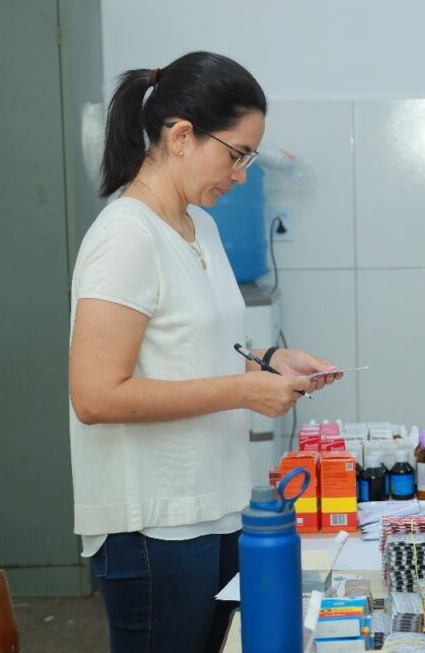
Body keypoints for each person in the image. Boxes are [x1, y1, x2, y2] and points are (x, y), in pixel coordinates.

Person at [68, 51, 340, 653]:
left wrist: (270, 363)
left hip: (215, 505)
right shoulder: (125, 237)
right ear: (183, 136)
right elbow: (94, 395)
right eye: (237, 153)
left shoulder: (199, 227)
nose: (242, 174)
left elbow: (194, 352)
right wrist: (245, 390)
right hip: (153, 523)